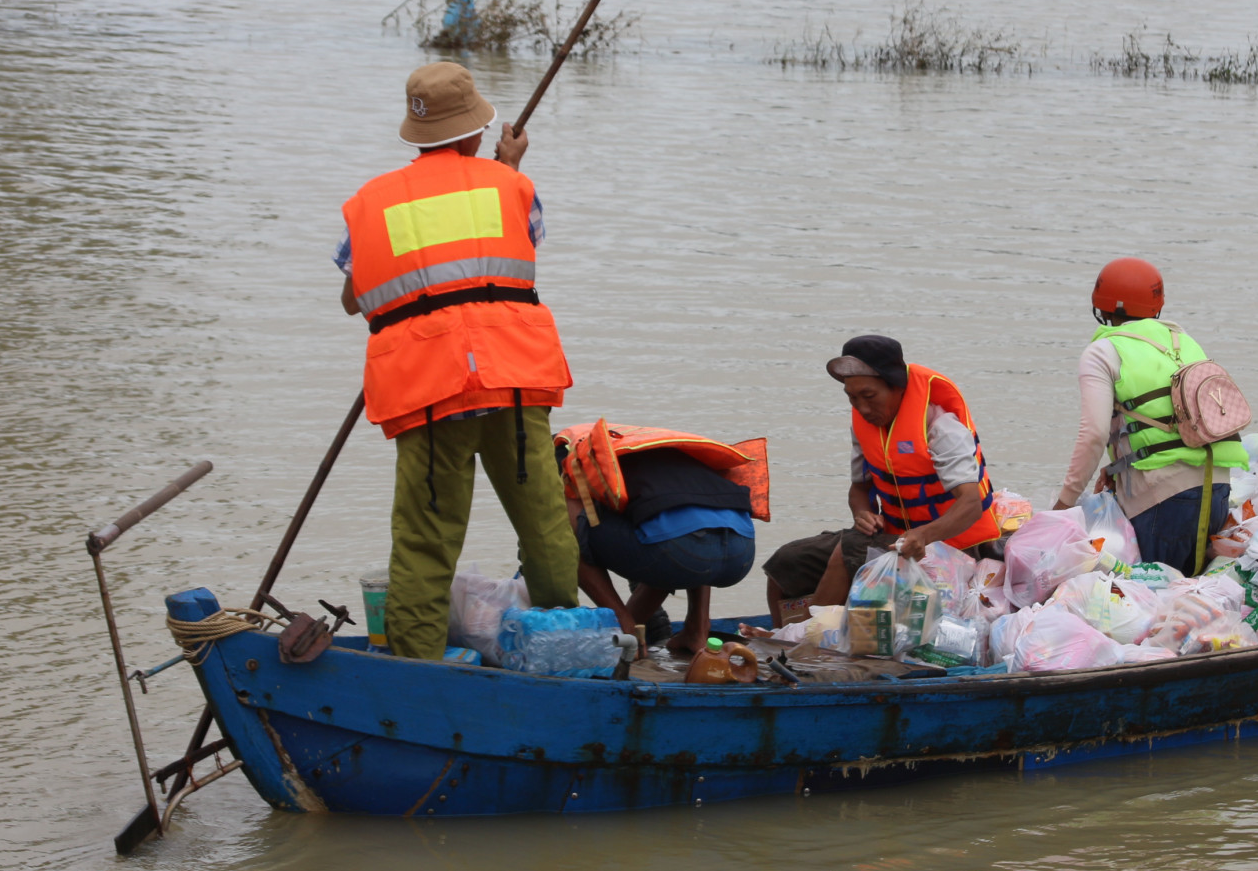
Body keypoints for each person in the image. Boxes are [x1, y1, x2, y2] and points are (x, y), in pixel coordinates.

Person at [337, 62, 579, 660]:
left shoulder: (370, 203)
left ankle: (417, 667)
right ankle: (566, 649)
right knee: (544, 521)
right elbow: (510, 243)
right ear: (474, 132)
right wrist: (509, 166)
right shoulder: (511, 186)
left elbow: (354, 296)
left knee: (425, 540)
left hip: (428, 388)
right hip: (514, 379)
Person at [763, 335, 1002, 625]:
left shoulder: (941, 428)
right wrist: (862, 513)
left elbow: (970, 505)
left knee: (849, 549)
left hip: (947, 547)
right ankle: (782, 637)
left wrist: (923, 535)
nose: (862, 408)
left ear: (896, 387)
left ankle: (810, 643)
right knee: (786, 562)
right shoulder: (866, 425)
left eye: (869, 396)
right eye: (852, 398)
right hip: (892, 537)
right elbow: (859, 489)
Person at [1053, 258, 1248, 576]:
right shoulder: (1185, 342)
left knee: (1150, 606)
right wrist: (1115, 468)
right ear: (1157, 306)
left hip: (1163, 504)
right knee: (1185, 596)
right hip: (1218, 492)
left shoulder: (1104, 352)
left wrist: (1063, 507)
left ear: (1100, 306)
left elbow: (1093, 435)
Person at [562, 440, 758, 656]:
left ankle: (625, 632)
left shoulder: (575, 468)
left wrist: (625, 624)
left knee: (563, 524)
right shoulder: (664, 455)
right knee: (679, 532)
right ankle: (698, 629)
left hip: (681, 552)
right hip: (743, 552)